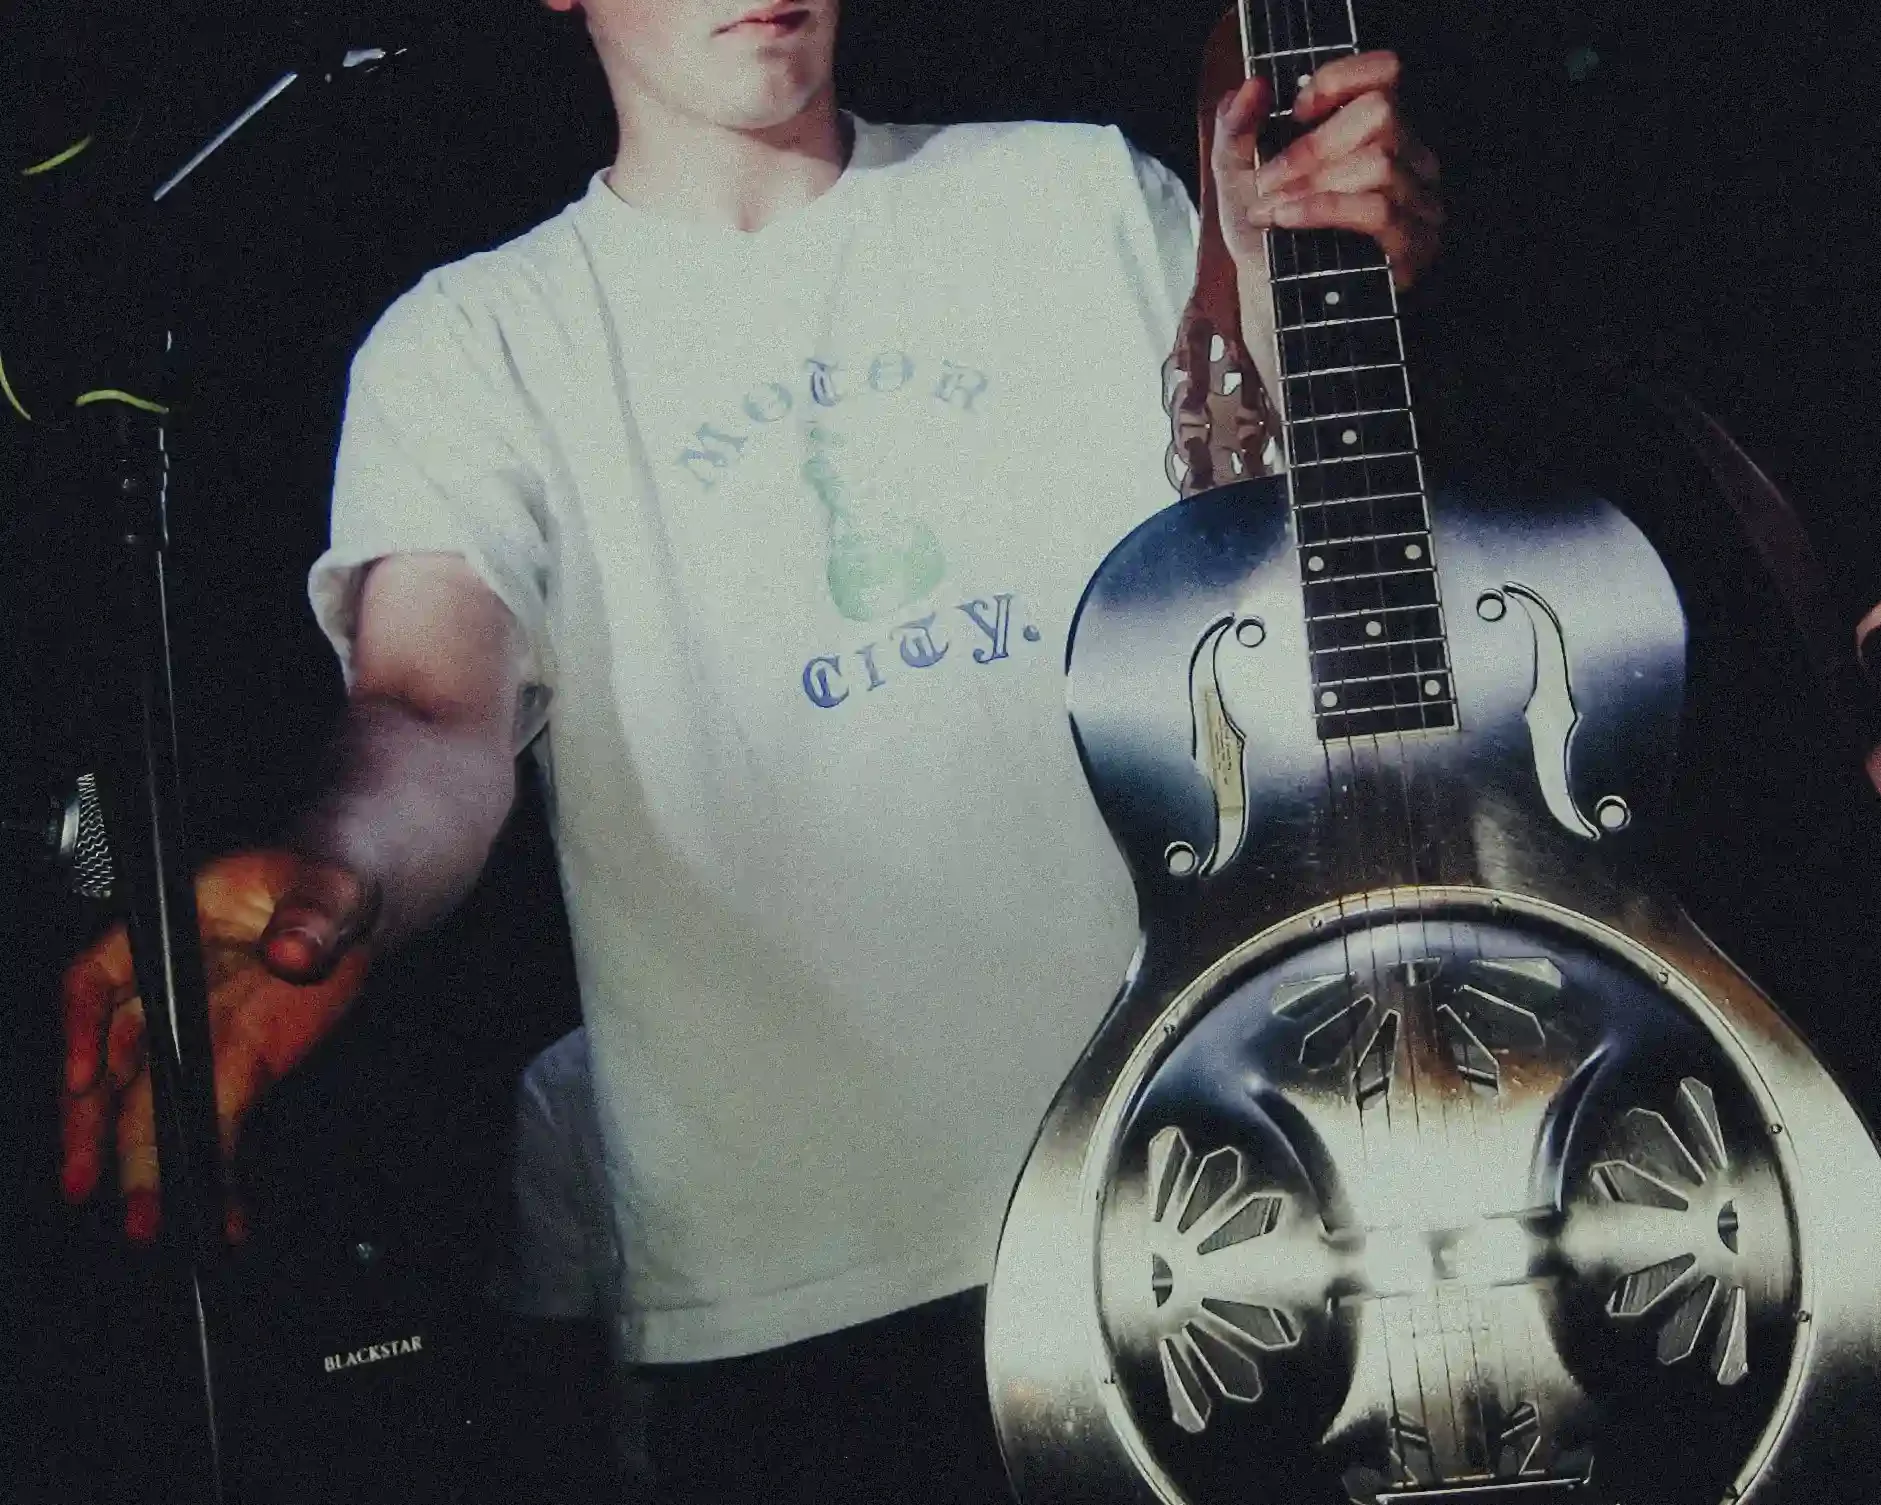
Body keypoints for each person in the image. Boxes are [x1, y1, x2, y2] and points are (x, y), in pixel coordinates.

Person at [58, 1, 1447, 1498]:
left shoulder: (1078, 194)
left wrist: (1282, 283)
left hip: (1218, 1201)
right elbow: (428, 714)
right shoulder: (477, 339)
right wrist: (336, 879)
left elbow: (1261, 564)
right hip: (797, 1305)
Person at [484, 1027, 651, 1500]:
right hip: (661, 1423)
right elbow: (559, 1302)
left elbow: (559, 1300)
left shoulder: (562, 1076)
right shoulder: (562, 1077)